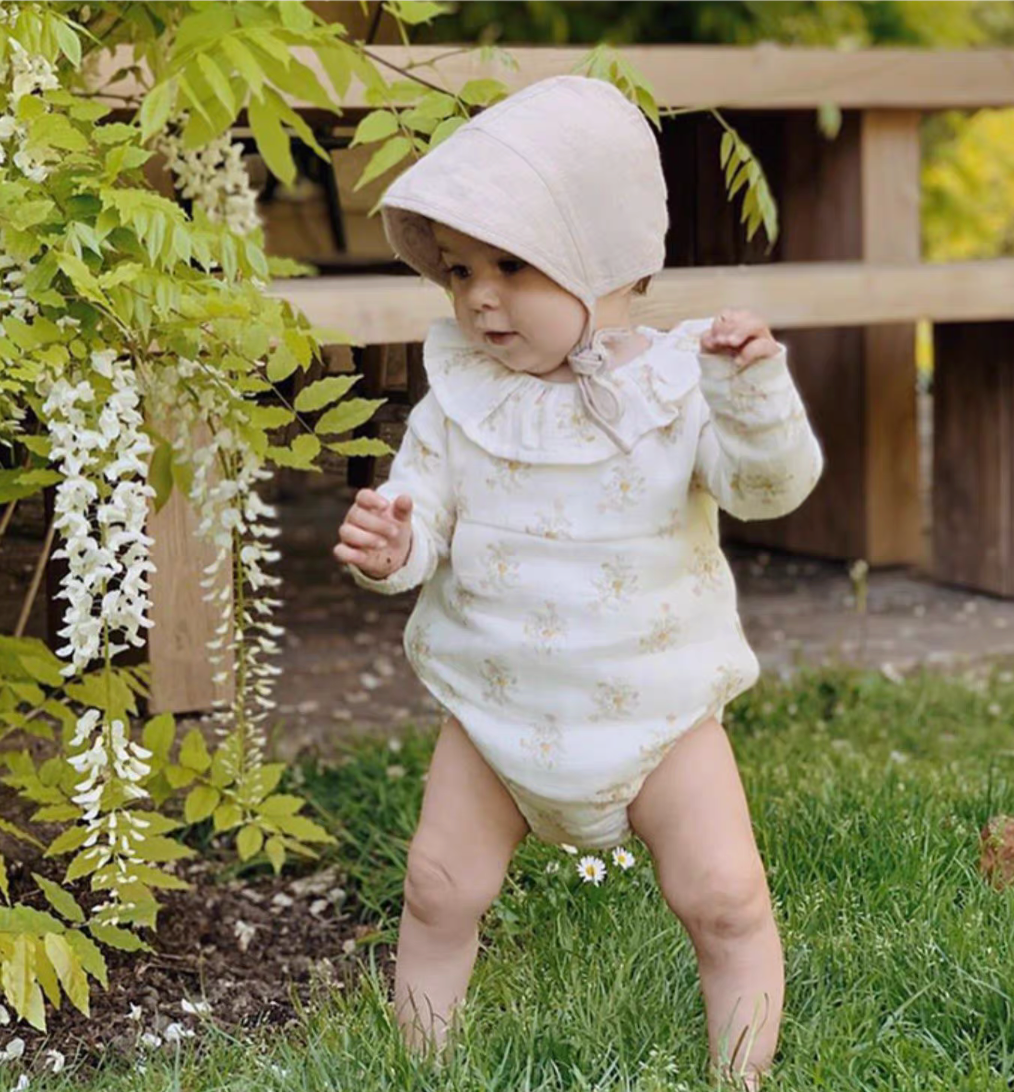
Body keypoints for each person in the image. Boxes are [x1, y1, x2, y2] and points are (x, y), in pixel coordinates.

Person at [333, 74, 823, 1088]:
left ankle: (741, 1073)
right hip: (494, 707)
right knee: (437, 887)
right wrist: (394, 550)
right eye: (460, 268)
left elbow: (769, 488)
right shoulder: (461, 403)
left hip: (657, 708)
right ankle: (417, 1066)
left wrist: (750, 395)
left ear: (605, 260)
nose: (477, 295)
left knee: (724, 897)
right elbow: (423, 518)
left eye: (512, 265)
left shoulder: (680, 384)